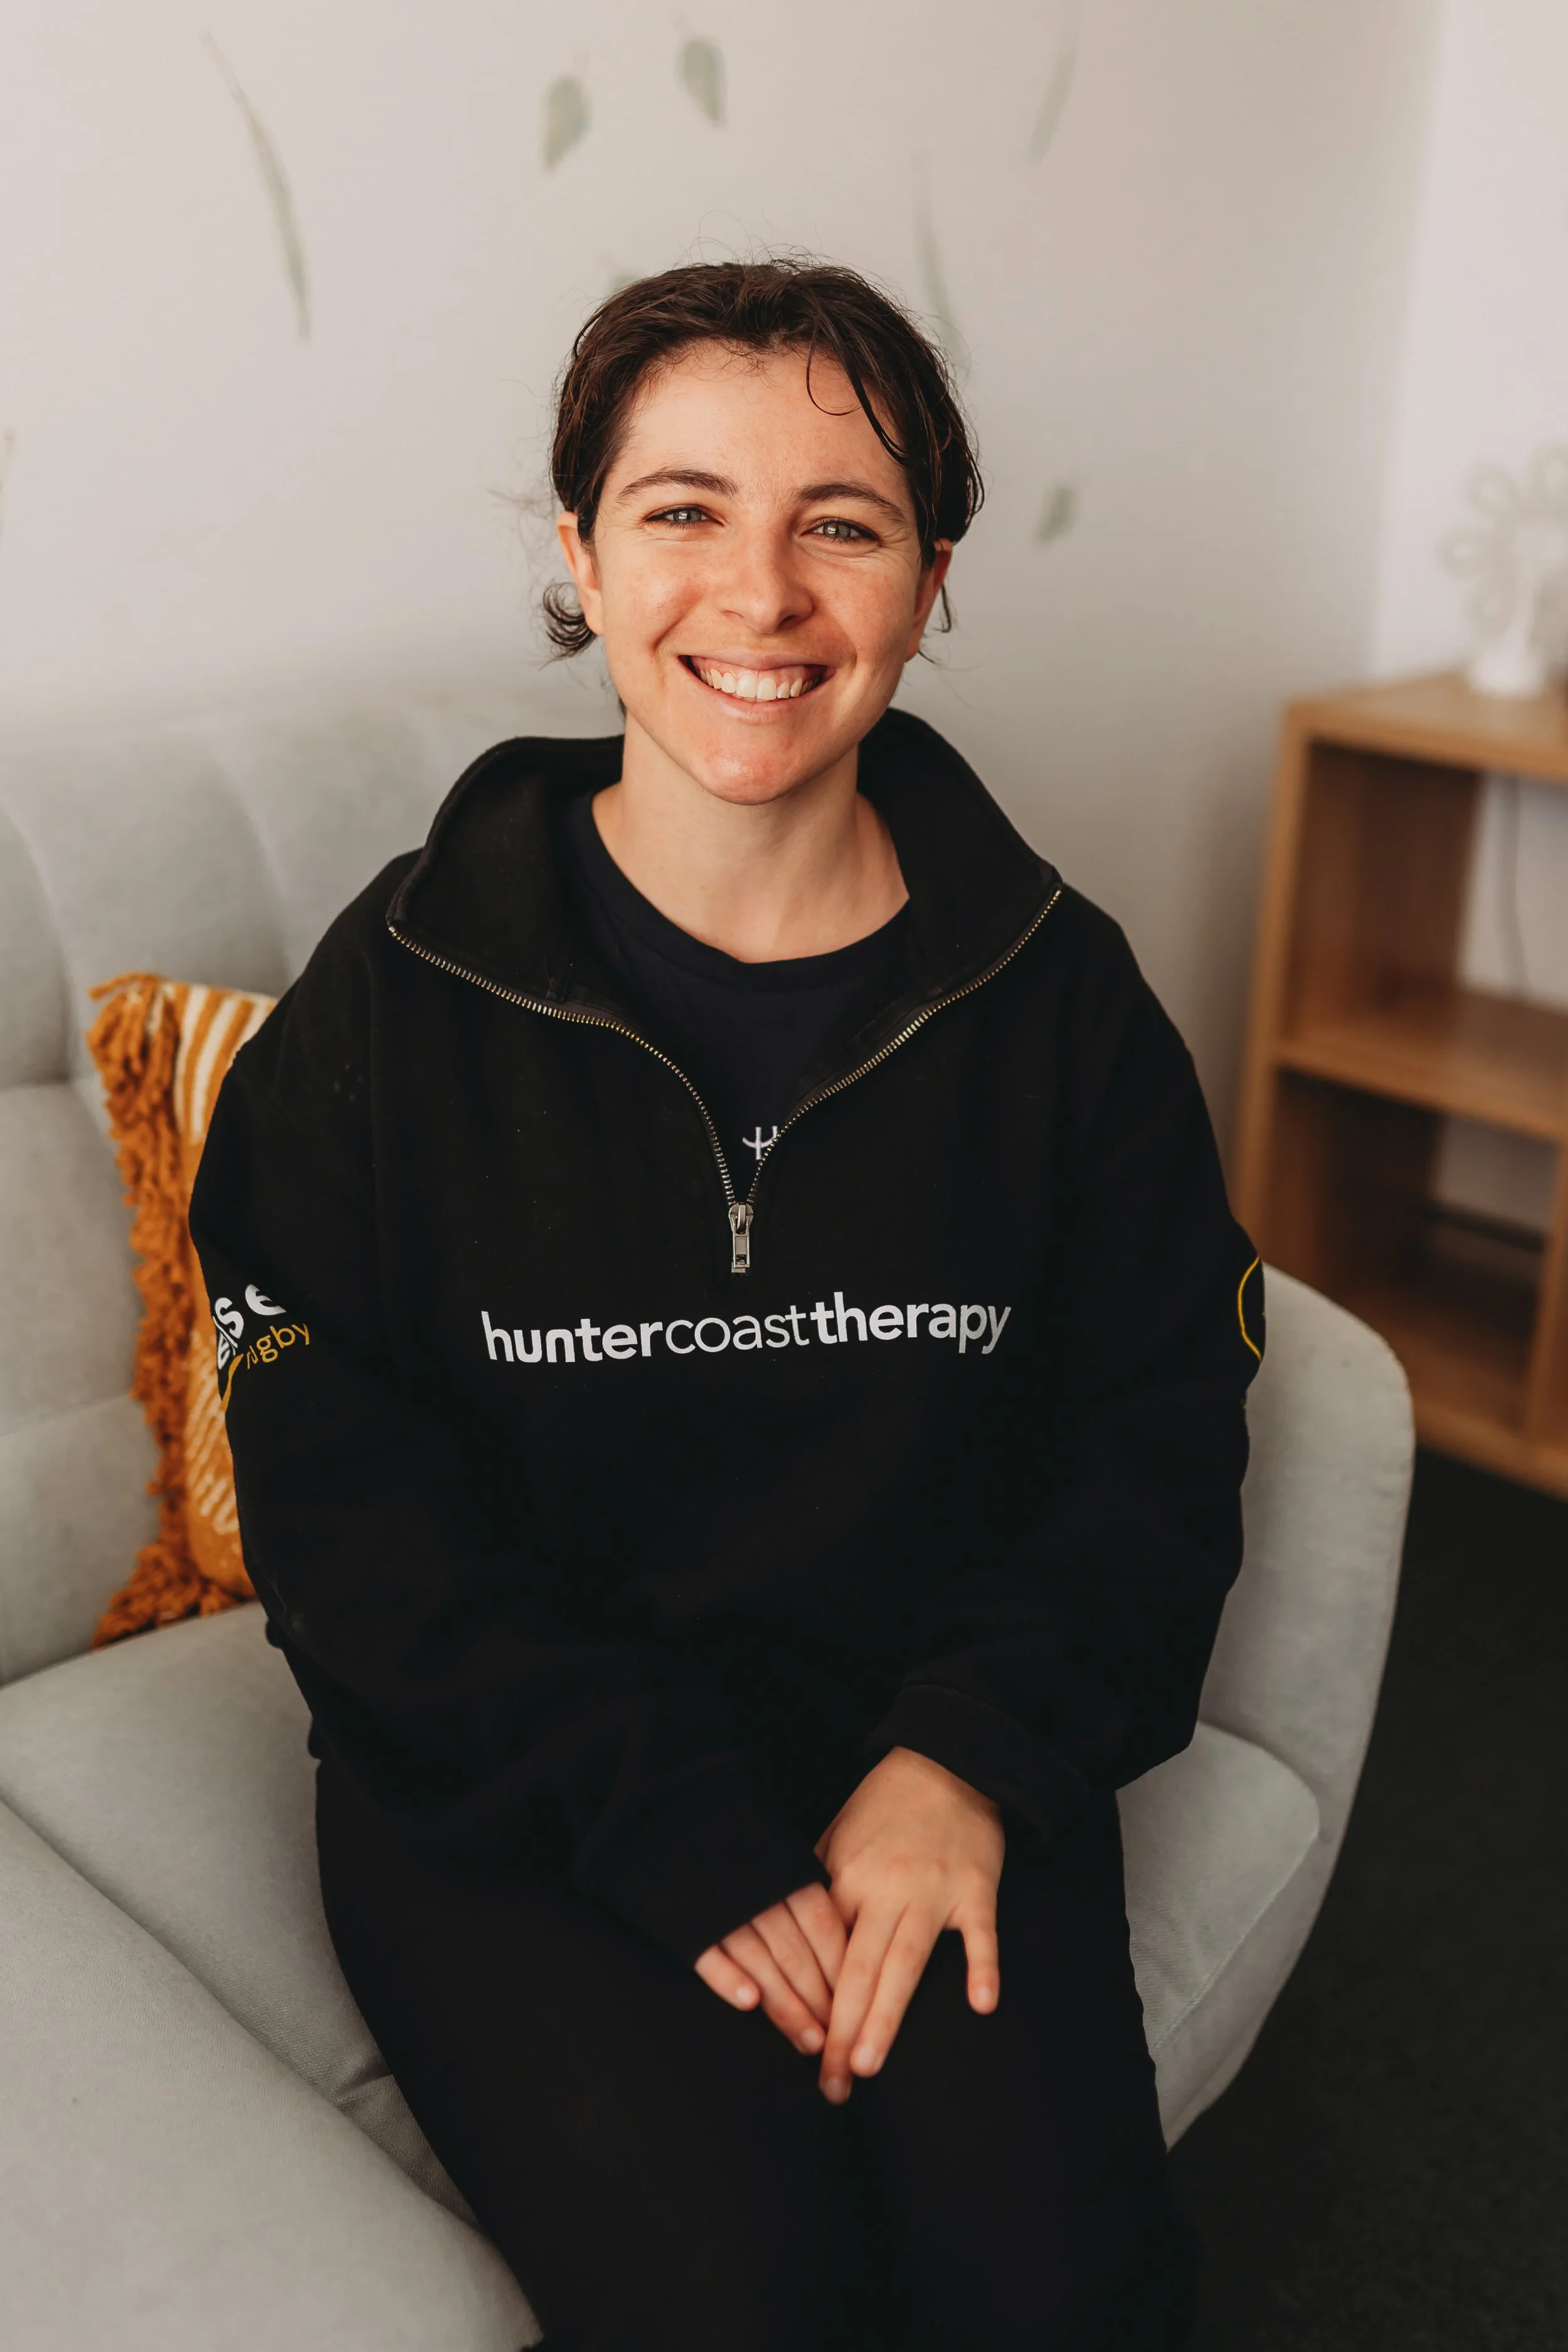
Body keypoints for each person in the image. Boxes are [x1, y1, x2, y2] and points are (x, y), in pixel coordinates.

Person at [190, 257, 1264, 2351]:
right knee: (736, 2292)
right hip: (519, 1785)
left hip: (927, 1744)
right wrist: (656, 1814)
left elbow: (1152, 1433)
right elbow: (341, 1497)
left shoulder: (1060, 1001)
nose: (757, 594)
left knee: (1061, 2290)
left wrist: (967, 1755)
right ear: (582, 554)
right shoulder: (392, 1004)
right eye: (682, 508)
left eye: (838, 523)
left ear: (930, 579)